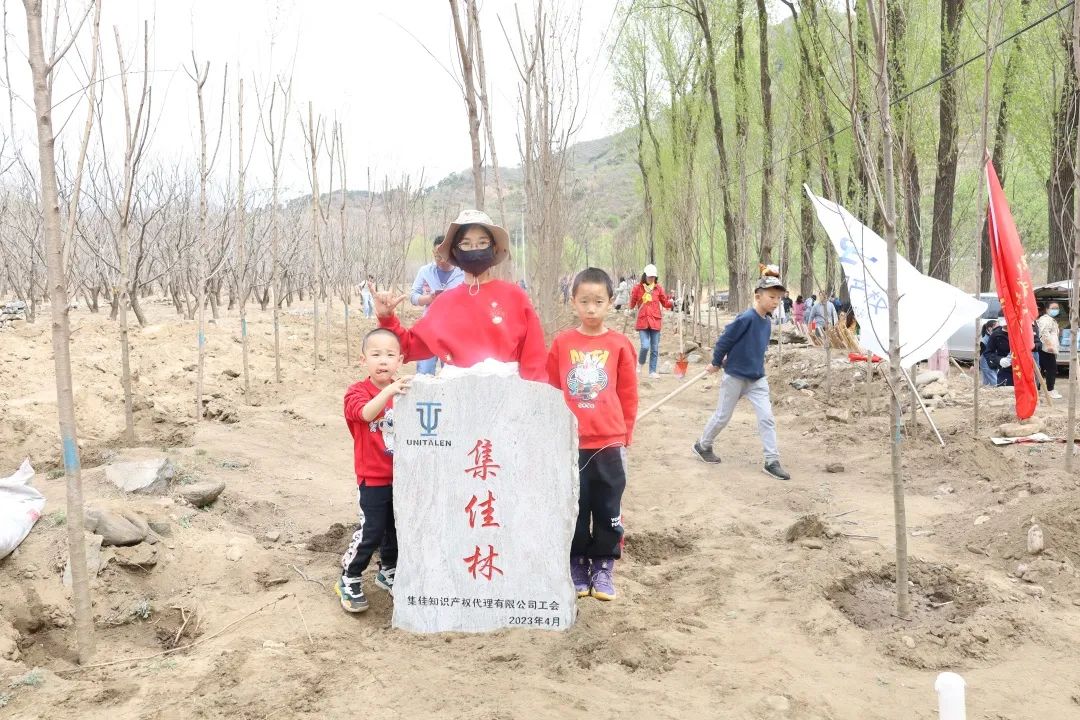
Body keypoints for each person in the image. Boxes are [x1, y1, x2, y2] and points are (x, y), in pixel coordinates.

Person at [547, 267, 638, 602]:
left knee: (606, 506)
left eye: (598, 301)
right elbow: (551, 390)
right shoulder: (562, 343)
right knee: (573, 506)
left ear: (610, 302)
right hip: (570, 443)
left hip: (608, 442)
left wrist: (625, 433)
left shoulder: (619, 345)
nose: (591, 308)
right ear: (573, 301)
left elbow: (628, 393)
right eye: (584, 301)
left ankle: (602, 565)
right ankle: (576, 563)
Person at [373, 209, 547, 381]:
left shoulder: (515, 297)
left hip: (509, 394)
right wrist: (387, 318)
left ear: (494, 248)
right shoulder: (444, 303)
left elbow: (535, 360)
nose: (474, 249)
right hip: (456, 395)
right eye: (466, 244)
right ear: (455, 252)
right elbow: (408, 347)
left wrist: (533, 395)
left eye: (482, 243)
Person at [692, 275, 791, 481]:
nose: (776, 301)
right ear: (758, 296)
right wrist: (716, 362)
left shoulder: (767, 323)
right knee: (722, 416)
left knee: (767, 418)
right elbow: (725, 340)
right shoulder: (746, 318)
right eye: (772, 296)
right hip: (735, 377)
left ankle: (771, 461)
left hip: (757, 379)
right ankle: (703, 445)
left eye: (779, 298)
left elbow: (754, 348)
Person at [339, 328, 409, 613]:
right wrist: (390, 391)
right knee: (372, 529)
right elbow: (366, 413)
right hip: (373, 478)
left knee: (396, 528)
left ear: (400, 360)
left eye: (390, 355)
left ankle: (388, 570)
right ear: (363, 359)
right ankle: (350, 576)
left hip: (402, 477)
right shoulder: (356, 392)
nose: (383, 361)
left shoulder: (405, 392)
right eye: (376, 354)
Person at [409, 235, 465, 375]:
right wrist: (429, 298)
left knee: (452, 374)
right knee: (424, 372)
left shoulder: (463, 273)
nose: (440, 260)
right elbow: (413, 296)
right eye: (437, 256)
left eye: (444, 256)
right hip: (429, 329)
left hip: (453, 331)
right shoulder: (425, 271)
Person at [629, 264, 674, 378]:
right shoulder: (637, 288)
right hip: (643, 321)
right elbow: (632, 303)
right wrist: (629, 309)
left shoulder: (658, 288)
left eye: (653, 277)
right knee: (645, 346)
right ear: (645, 276)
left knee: (654, 348)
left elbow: (665, 303)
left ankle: (652, 371)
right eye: (649, 276)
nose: (651, 279)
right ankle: (640, 363)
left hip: (655, 321)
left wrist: (673, 302)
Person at [1037, 302, 1063, 400]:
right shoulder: (1045, 319)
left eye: (1057, 308)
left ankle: (1038, 390)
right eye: (1053, 308)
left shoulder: (1051, 320)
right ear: (1047, 309)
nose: (1055, 310)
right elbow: (1043, 332)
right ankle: (1050, 390)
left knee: (1041, 369)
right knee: (1051, 369)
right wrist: (1049, 345)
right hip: (1046, 349)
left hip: (1048, 349)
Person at [983, 319, 1013, 386]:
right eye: (1005, 326)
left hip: (1022, 369)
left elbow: (1035, 344)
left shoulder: (1022, 330)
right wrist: (999, 360)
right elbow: (988, 353)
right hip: (1005, 370)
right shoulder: (996, 334)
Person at [978, 319, 999, 386]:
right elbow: (978, 354)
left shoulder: (994, 337)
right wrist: (974, 365)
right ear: (990, 328)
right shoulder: (984, 341)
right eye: (997, 327)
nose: (999, 329)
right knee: (995, 382)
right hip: (986, 365)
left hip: (993, 363)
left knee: (986, 382)